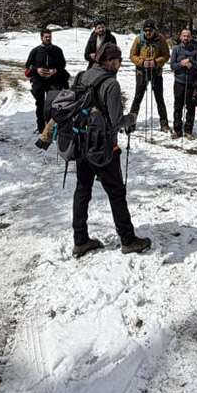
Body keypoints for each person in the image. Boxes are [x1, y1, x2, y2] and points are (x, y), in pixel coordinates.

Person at [71, 43, 151, 258]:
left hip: (81, 141)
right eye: (117, 60)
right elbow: (116, 121)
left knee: (82, 191)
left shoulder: (81, 76)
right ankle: (128, 240)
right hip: (104, 146)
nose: (119, 64)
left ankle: (80, 240)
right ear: (109, 61)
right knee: (116, 192)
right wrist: (131, 118)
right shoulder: (111, 84)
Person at [128, 19, 171, 131]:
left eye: (150, 30)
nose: (148, 32)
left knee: (159, 98)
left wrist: (156, 62)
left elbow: (166, 55)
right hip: (141, 72)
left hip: (156, 71)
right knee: (138, 97)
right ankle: (131, 123)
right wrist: (142, 62)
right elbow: (132, 55)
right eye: (146, 30)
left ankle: (164, 124)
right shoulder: (139, 39)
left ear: (154, 30)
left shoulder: (161, 39)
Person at [26, 29, 70, 133]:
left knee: (53, 105)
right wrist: (37, 69)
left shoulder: (57, 50)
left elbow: (62, 65)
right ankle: (41, 128)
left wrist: (55, 70)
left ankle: (51, 127)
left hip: (54, 80)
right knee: (40, 105)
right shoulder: (35, 51)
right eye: (46, 37)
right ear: (41, 38)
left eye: (49, 36)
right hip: (39, 81)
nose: (48, 38)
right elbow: (28, 65)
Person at [169, 28, 197, 139]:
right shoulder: (176, 49)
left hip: (191, 83)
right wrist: (181, 64)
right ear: (181, 37)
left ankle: (188, 130)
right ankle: (177, 130)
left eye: (188, 36)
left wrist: (191, 62)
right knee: (178, 107)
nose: (186, 38)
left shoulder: (196, 49)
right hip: (179, 82)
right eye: (184, 36)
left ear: (191, 37)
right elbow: (172, 66)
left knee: (191, 107)